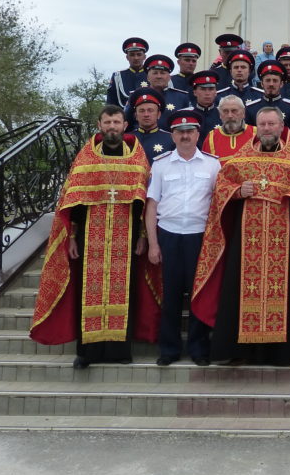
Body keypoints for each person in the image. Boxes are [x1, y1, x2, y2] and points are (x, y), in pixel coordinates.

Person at [192, 106, 290, 365]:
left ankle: (282, 353)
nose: (268, 129)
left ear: (281, 126)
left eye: (272, 124)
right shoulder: (241, 159)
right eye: (263, 125)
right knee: (240, 292)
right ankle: (241, 352)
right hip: (246, 242)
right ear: (256, 127)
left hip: (286, 242)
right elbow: (222, 188)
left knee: (286, 294)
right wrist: (237, 191)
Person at [30, 105, 160, 368]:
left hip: (127, 237)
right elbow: (73, 203)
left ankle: (120, 351)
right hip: (91, 237)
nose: (112, 127)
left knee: (126, 292)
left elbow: (144, 203)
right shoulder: (87, 158)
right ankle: (86, 352)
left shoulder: (137, 159)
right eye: (107, 122)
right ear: (99, 125)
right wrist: (73, 237)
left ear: (125, 125)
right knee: (87, 292)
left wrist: (143, 236)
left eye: (116, 122)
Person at [145, 109, 220, 366]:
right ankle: (169, 349)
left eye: (190, 131)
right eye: (180, 132)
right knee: (171, 296)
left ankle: (199, 349)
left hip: (200, 236)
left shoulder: (213, 164)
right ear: (173, 135)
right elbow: (152, 206)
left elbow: (219, 204)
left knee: (200, 294)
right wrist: (153, 243)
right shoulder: (161, 163)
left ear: (198, 133)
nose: (185, 135)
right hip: (169, 235)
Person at [246, 61, 290, 140]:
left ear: (281, 84)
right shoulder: (251, 108)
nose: (271, 84)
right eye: (268, 80)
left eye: (275, 81)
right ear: (262, 84)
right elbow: (248, 137)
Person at [140, 54, 190, 128]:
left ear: (169, 77)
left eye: (163, 73)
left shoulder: (182, 97)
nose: (159, 76)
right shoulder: (137, 96)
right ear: (148, 77)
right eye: (155, 73)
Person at [127, 88, 175, 164]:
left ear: (158, 114)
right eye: (142, 111)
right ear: (136, 115)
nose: (146, 115)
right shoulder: (127, 139)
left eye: (150, 110)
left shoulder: (172, 139)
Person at [202, 95, 256, 161]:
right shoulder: (211, 138)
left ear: (243, 113)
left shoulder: (256, 134)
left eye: (234, 111)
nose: (230, 115)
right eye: (225, 111)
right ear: (220, 114)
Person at [106, 37, 150, 108]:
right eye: (132, 55)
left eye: (139, 54)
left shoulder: (152, 75)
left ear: (144, 57)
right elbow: (111, 102)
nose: (136, 58)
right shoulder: (118, 76)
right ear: (127, 57)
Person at [189, 70, 223, 143]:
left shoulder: (223, 114)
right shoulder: (188, 115)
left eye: (211, 89)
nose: (207, 93)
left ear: (215, 92)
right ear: (195, 92)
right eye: (203, 89)